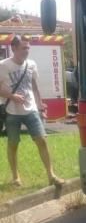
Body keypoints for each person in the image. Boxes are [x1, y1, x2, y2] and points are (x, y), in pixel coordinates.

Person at [0, 35, 64, 187]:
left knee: (42, 140)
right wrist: (12, 96)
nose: (27, 51)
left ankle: (51, 175)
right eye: (23, 48)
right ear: (14, 48)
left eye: (28, 48)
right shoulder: (3, 65)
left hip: (31, 110)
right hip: (11, 111)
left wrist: (41, 106)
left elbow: (34, 87)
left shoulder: (31, 64)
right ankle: (16, 177)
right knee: (13, 143)